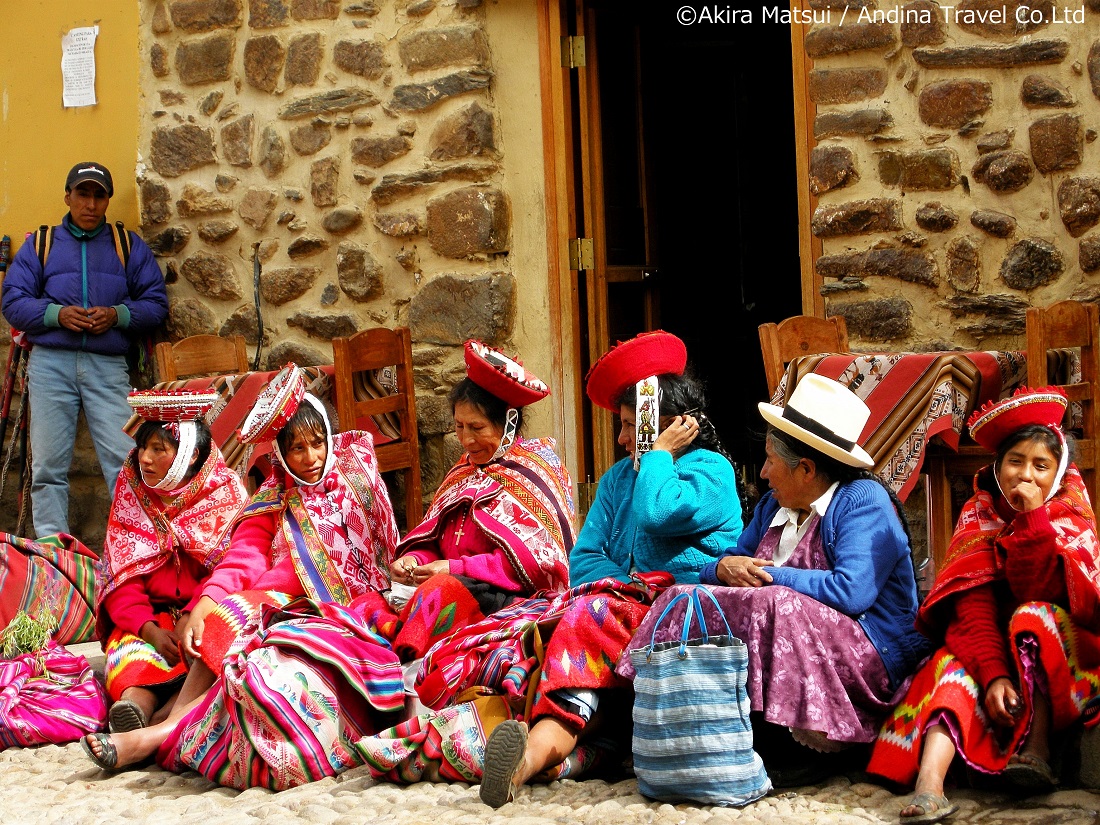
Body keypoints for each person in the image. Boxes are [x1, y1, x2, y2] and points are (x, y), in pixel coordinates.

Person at [81, 363, 402, 776]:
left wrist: (223, 601)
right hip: (270, 602)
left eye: (317, 444)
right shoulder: (274, 495)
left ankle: (158, 731)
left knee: (238, 623)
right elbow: (243, 555)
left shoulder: (354, 477)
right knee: (225, 618)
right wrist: (210, 602)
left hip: (346, 606)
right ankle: (158, 721)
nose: (310, 458)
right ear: (280, 457)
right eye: (296, 449)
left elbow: (378, 549)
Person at [620, 373, 931, 788]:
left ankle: (805, 745)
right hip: (798, 631)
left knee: (773, 603)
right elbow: (731, 560)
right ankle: (686, 726)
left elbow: (852, 591)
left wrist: (768, 576)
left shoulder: (862, 503)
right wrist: (720, 570)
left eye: (769, 460)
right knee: (687, 595)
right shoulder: (773, 505)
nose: (763, 472)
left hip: (871, 653)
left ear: (805, 469)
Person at [478, 330, 744, 807]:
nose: (621, 439)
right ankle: (537, 759)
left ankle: (532, 759)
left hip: (685, 618)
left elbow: (657, 513)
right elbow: (583, 560)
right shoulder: (617, 479)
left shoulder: (712, 472)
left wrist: (658, 456)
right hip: (622, 613)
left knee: (587, 620)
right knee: (530, 638)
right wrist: (630, 584)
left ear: (665, 426)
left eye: (629, 426)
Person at [867, 386, 1100, 824]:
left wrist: (1032, 520)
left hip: (1059, 651)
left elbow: (1046, 592)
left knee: (1033, 616)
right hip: (992, 646)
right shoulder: (979, 513)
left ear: (1059, 472)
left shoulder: (1069, 514)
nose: (1024, 475)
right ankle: (930, 785)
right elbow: (970, 608)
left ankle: (1038, 750)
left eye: (1040, 465)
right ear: (997, 467)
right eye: (1015, 461)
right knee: (949, 666)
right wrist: (992, 675)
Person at [1, 162, 169, 538]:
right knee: (47, 467)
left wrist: (119, 315)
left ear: (107, 200)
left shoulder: (127, 246)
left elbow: (156, 303)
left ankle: (133, 547)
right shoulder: (42, 244)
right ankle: (52, 553)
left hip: (107, 366)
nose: (90, 204)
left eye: (99, 195)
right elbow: (12, 301)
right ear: (68, 196)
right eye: (83, 194)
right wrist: (55, 315)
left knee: (125, 462)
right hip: (49, 366)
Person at [387, 340, 574, 660]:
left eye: (477, 427)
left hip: (503, 600)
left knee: (439, 595)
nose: (466, 439)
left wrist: (454, 568)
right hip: (446, 589)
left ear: (509, 424)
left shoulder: (537, 475)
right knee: (370, 604)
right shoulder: (463, 471)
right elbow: (435, 534)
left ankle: (394, 666)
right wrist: (415, 560)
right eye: (459, 427)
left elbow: (538, 567)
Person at [95, 389, 249, 733]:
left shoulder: (223, 492)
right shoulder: (131, 489)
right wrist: (150, 630)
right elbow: (121, 573)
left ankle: (168, 713)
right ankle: (135, 706)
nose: (144, 460)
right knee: (130, 657)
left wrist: (194, 614)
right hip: (147, 618)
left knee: (206, 653)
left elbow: (231, 568)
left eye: (158, 449)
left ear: (190, 455)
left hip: (206, 612)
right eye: (142, 448)